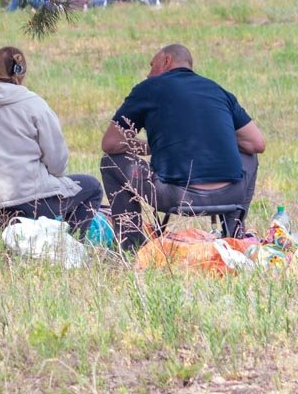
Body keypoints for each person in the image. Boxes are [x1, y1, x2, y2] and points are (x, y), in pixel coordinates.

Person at [100, 44, 265, 248]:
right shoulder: (217, 90)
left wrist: (150, 147)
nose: (148, 73)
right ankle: (234, 233)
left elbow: (110, 143)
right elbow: (256, 142)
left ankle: (131, 246)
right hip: (231, 194)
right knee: (249, 154)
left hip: (177, 196)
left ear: (166, 62)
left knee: (111, 162)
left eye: (152, 66)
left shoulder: (148, 88)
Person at [0, 47, 102, 233]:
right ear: (21, 73)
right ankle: (69, 245)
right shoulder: (33, 104)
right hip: (26, 200)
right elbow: (57, 164)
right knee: (92, 187)